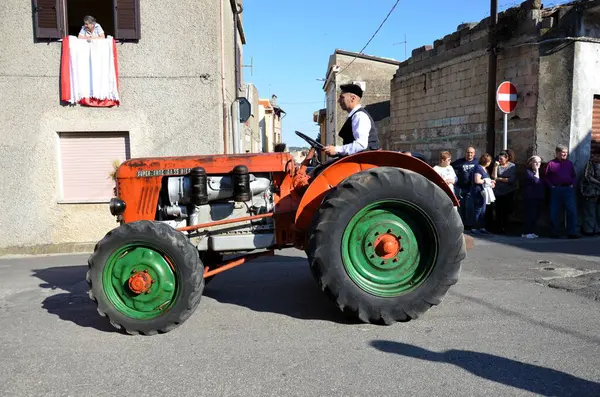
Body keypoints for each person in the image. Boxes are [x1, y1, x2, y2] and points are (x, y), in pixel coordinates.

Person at [323, 83, 379, 157]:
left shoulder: (359, 116)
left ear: (353, 98)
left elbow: (361, 145)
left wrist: (336, 150)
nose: (338, 101)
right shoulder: (355, 115)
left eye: (342, 97)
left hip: (364, 160)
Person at [543, 144, 580, 238]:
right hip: (556, 189)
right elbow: (545, 177)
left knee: (572, 211)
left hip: (568, 189)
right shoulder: (551, 164)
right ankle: (554, 232)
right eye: (563, 152)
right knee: (554, 211)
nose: (564, 154)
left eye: (566, 153)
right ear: (557, 153)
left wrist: (573, 184)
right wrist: (551, 186)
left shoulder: (569, 163)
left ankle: (572, 232)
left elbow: (573, 176)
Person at [451, 146, 478, 229]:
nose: (469, 154)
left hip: (471, 188)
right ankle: (461, 224)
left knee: (469, 206)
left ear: (474, 154)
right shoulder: (459, 162)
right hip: (461, 188)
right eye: (468, 152)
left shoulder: (477, 162)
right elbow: (449, 167)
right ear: (465, 153)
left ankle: (468, 225)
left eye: (471, 152)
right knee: (461, 206)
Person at [491, 151, 517, 234]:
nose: (500, 160)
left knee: (507, 211)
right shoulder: (497, 165)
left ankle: (506, 228)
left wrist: (499, 179)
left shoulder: (512, 166)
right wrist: (495, 167)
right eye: (499, 159)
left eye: (501, 159)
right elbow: (494, 177)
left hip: (508, 192)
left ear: (507, 158)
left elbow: (511, 180)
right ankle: (497, 228)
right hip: (498, 192)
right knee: (498, 211)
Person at [471, 153, 495, 235]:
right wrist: (486, 181)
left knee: (483, 210)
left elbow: (485, 179)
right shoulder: (478, 168)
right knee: (478, 210)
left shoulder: (485, 169)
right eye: (489, 161)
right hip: (478, 192)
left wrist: (491, 182)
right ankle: (474, 228)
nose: (489, 163)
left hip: (484, 192)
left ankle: (482, 227)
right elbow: (477, 180)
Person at [521, 155, 545, 239]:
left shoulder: (540, 172)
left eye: (539, 162)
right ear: (531, 162)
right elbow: (536, 180)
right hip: (530, 197)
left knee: (536, 215)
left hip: (538, 196)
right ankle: (526, 232)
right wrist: (537, 170)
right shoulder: (528, 171)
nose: (538, 164)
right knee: (530, 215)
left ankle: (531, 231)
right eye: (535, 162)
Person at [580, 152, 600, 236]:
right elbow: (587, 176)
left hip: (598, 192)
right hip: (590, 192)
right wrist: (599, 182)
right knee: (589, 211)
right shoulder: (590, 163)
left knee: (598, 211)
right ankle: (589, 230)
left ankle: (597, 229)